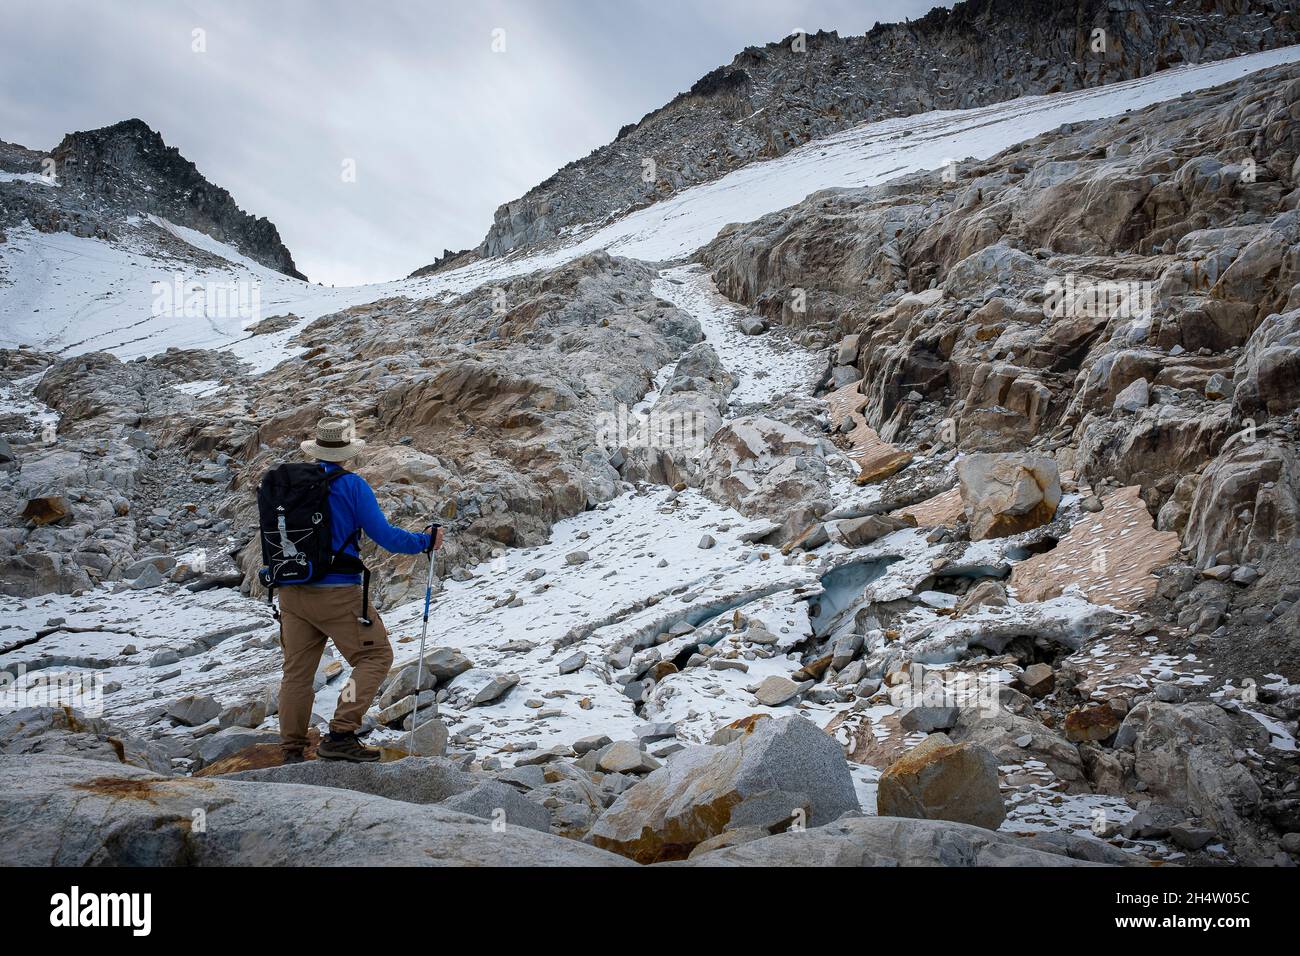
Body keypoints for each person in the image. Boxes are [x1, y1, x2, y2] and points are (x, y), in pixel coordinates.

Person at [276, 416, 443, 763]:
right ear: (347, 451)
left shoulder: (289, 485)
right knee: (375, 657)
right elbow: (383, 536)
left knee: (297, 673)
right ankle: (341, 732)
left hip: (291, 591)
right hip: (337, 593)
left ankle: (291, 748)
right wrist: (424, 542)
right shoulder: (351, 485)